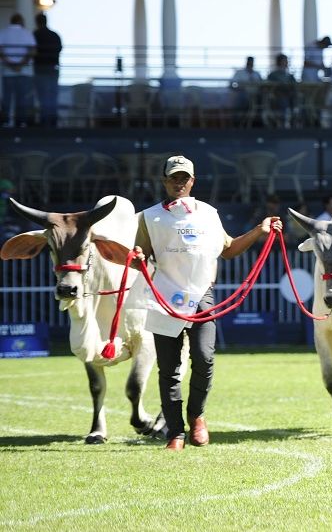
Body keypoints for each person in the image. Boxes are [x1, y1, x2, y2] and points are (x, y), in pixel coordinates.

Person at [131, 155, 280, 451]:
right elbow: (140, 257)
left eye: (184, 177)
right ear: (164, 181)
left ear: (192, 181)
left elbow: (229, 249)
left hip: (201, 297)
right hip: (164, 299)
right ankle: (175, 432)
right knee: (169, 369)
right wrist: (136, 259)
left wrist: (259, 231)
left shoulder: (209, 214)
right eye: (173, 177)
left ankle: (197, 416)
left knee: (204, 358)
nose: (178, 182)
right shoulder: (148, 217)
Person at [0, 13, 36, 128]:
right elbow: (32, 51)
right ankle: (20, 123)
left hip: (7, 71)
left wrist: (10, 64)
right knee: (22, 99)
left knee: (7, 98)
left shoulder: (4, 32)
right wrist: (21, 64)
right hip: (24, 71)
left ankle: (5, 122)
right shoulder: (26, 33)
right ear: (21, 21)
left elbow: (1, 51)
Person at [32, 12, 62, 127]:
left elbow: (32, 51)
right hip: (53, 68)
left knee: (42, 95)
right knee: (52, 95)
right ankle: (52, 120)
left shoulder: (35, 35)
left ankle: (44, 120)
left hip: (40, 68)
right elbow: (59, 49)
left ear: (37, 22)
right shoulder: (54, 35)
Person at [266, 53, 297, 127]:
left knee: (297, 100)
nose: (287, 62)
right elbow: (269, 86)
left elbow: (294, 86)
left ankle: (294, 123)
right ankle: (282, 124)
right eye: (285, 61)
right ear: (279, 62)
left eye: (287, 61)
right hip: (278, 96)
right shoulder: (273, 75)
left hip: (290, 96)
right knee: (283, 102)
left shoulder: (290, 75)